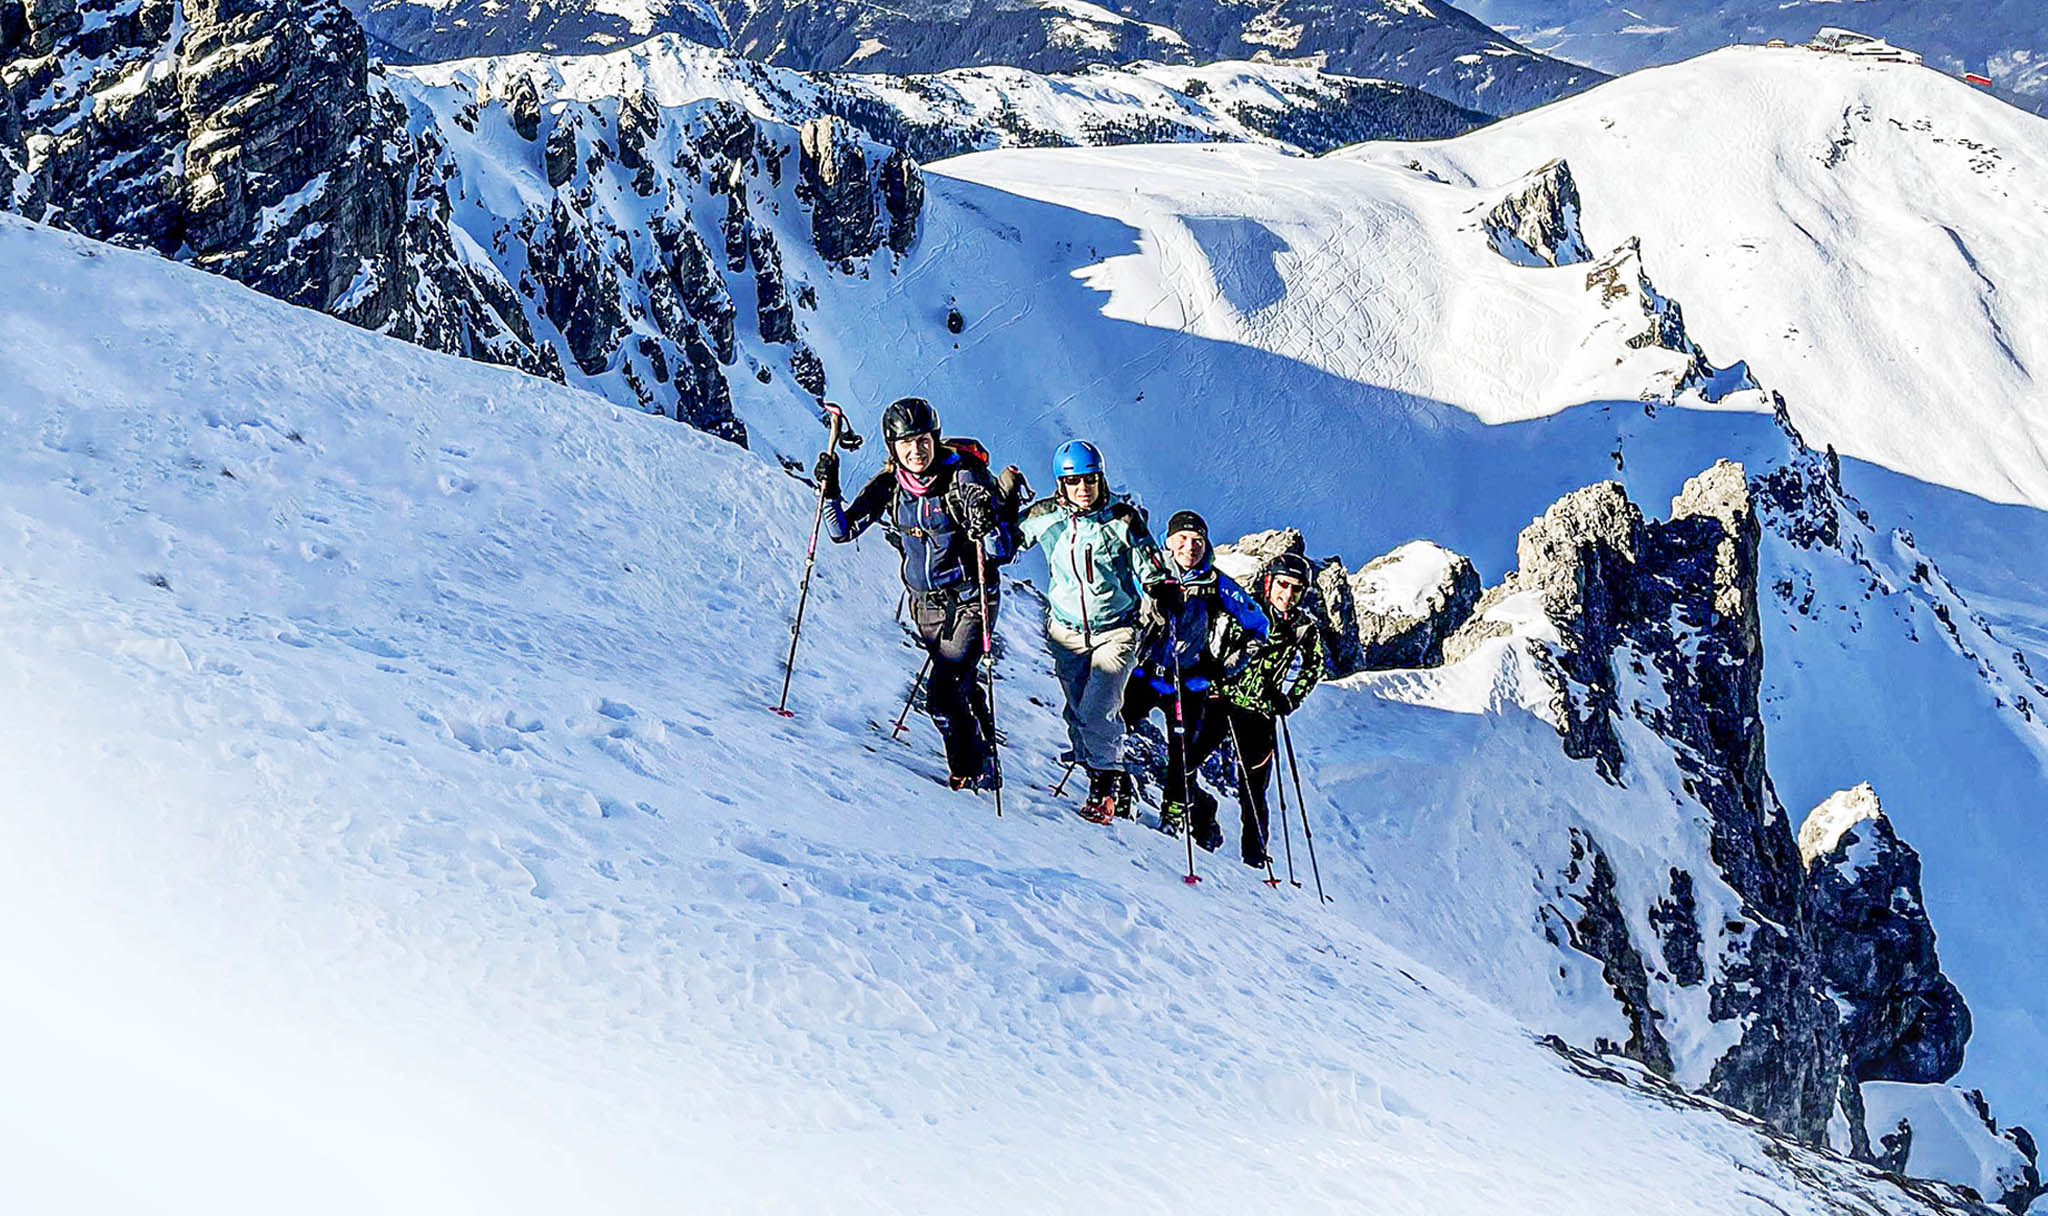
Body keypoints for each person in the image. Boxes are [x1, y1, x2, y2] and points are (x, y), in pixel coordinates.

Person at [818, 397, 1011, 791]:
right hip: (925, 606)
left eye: (923, 440)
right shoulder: (890, 485)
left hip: (971, 599)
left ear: (935, 439)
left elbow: (1000, 552)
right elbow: (842, 531)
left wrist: (986, 519)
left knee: (942, 695)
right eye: (906, 442)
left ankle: (970, 768)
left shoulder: (962, 477)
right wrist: (831, 488)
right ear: (893, 447)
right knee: (960, 681)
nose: (916, 450)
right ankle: (986, 753)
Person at [1017, 440, 1171, 825]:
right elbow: (1004, 541)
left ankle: (1105, 789)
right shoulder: (1045, 516)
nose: (1083, 488)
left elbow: (1151, 565)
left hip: (1116, 631)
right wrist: (993, 517)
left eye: (1090, 479)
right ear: (1061, 484)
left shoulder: (1122, 519)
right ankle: (1098, 772)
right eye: (1074, 481)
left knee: (1098, 709)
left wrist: (1162, 589)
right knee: (1077, 711)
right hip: (1065, 633)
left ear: (1101, 478)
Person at [1120, 510, 1267, 841]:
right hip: (1145, 671)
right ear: (1168, 541)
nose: (1190, 547)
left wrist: (1226, 666)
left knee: (1182, 753)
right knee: (1113, 727)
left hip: (1188, 680)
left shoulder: (1217, 584)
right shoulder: (1149, 572)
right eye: (1182, 539)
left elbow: (1259, 627)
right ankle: (1117, 789)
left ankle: (1174, 812)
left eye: (1198, 540)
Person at [1191, 551, 1325, 866]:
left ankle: (1254, 858)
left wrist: (1290, 699)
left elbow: (1315, 666)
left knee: (1253, 790)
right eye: (1282, 584)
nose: (1288, 594)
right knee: (1184, 763)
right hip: (1219, 700)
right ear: (1268, 582)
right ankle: (1203, 817)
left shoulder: (1304, 628)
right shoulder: (1243, 607)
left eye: (1296, 589)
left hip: (1260, 713)